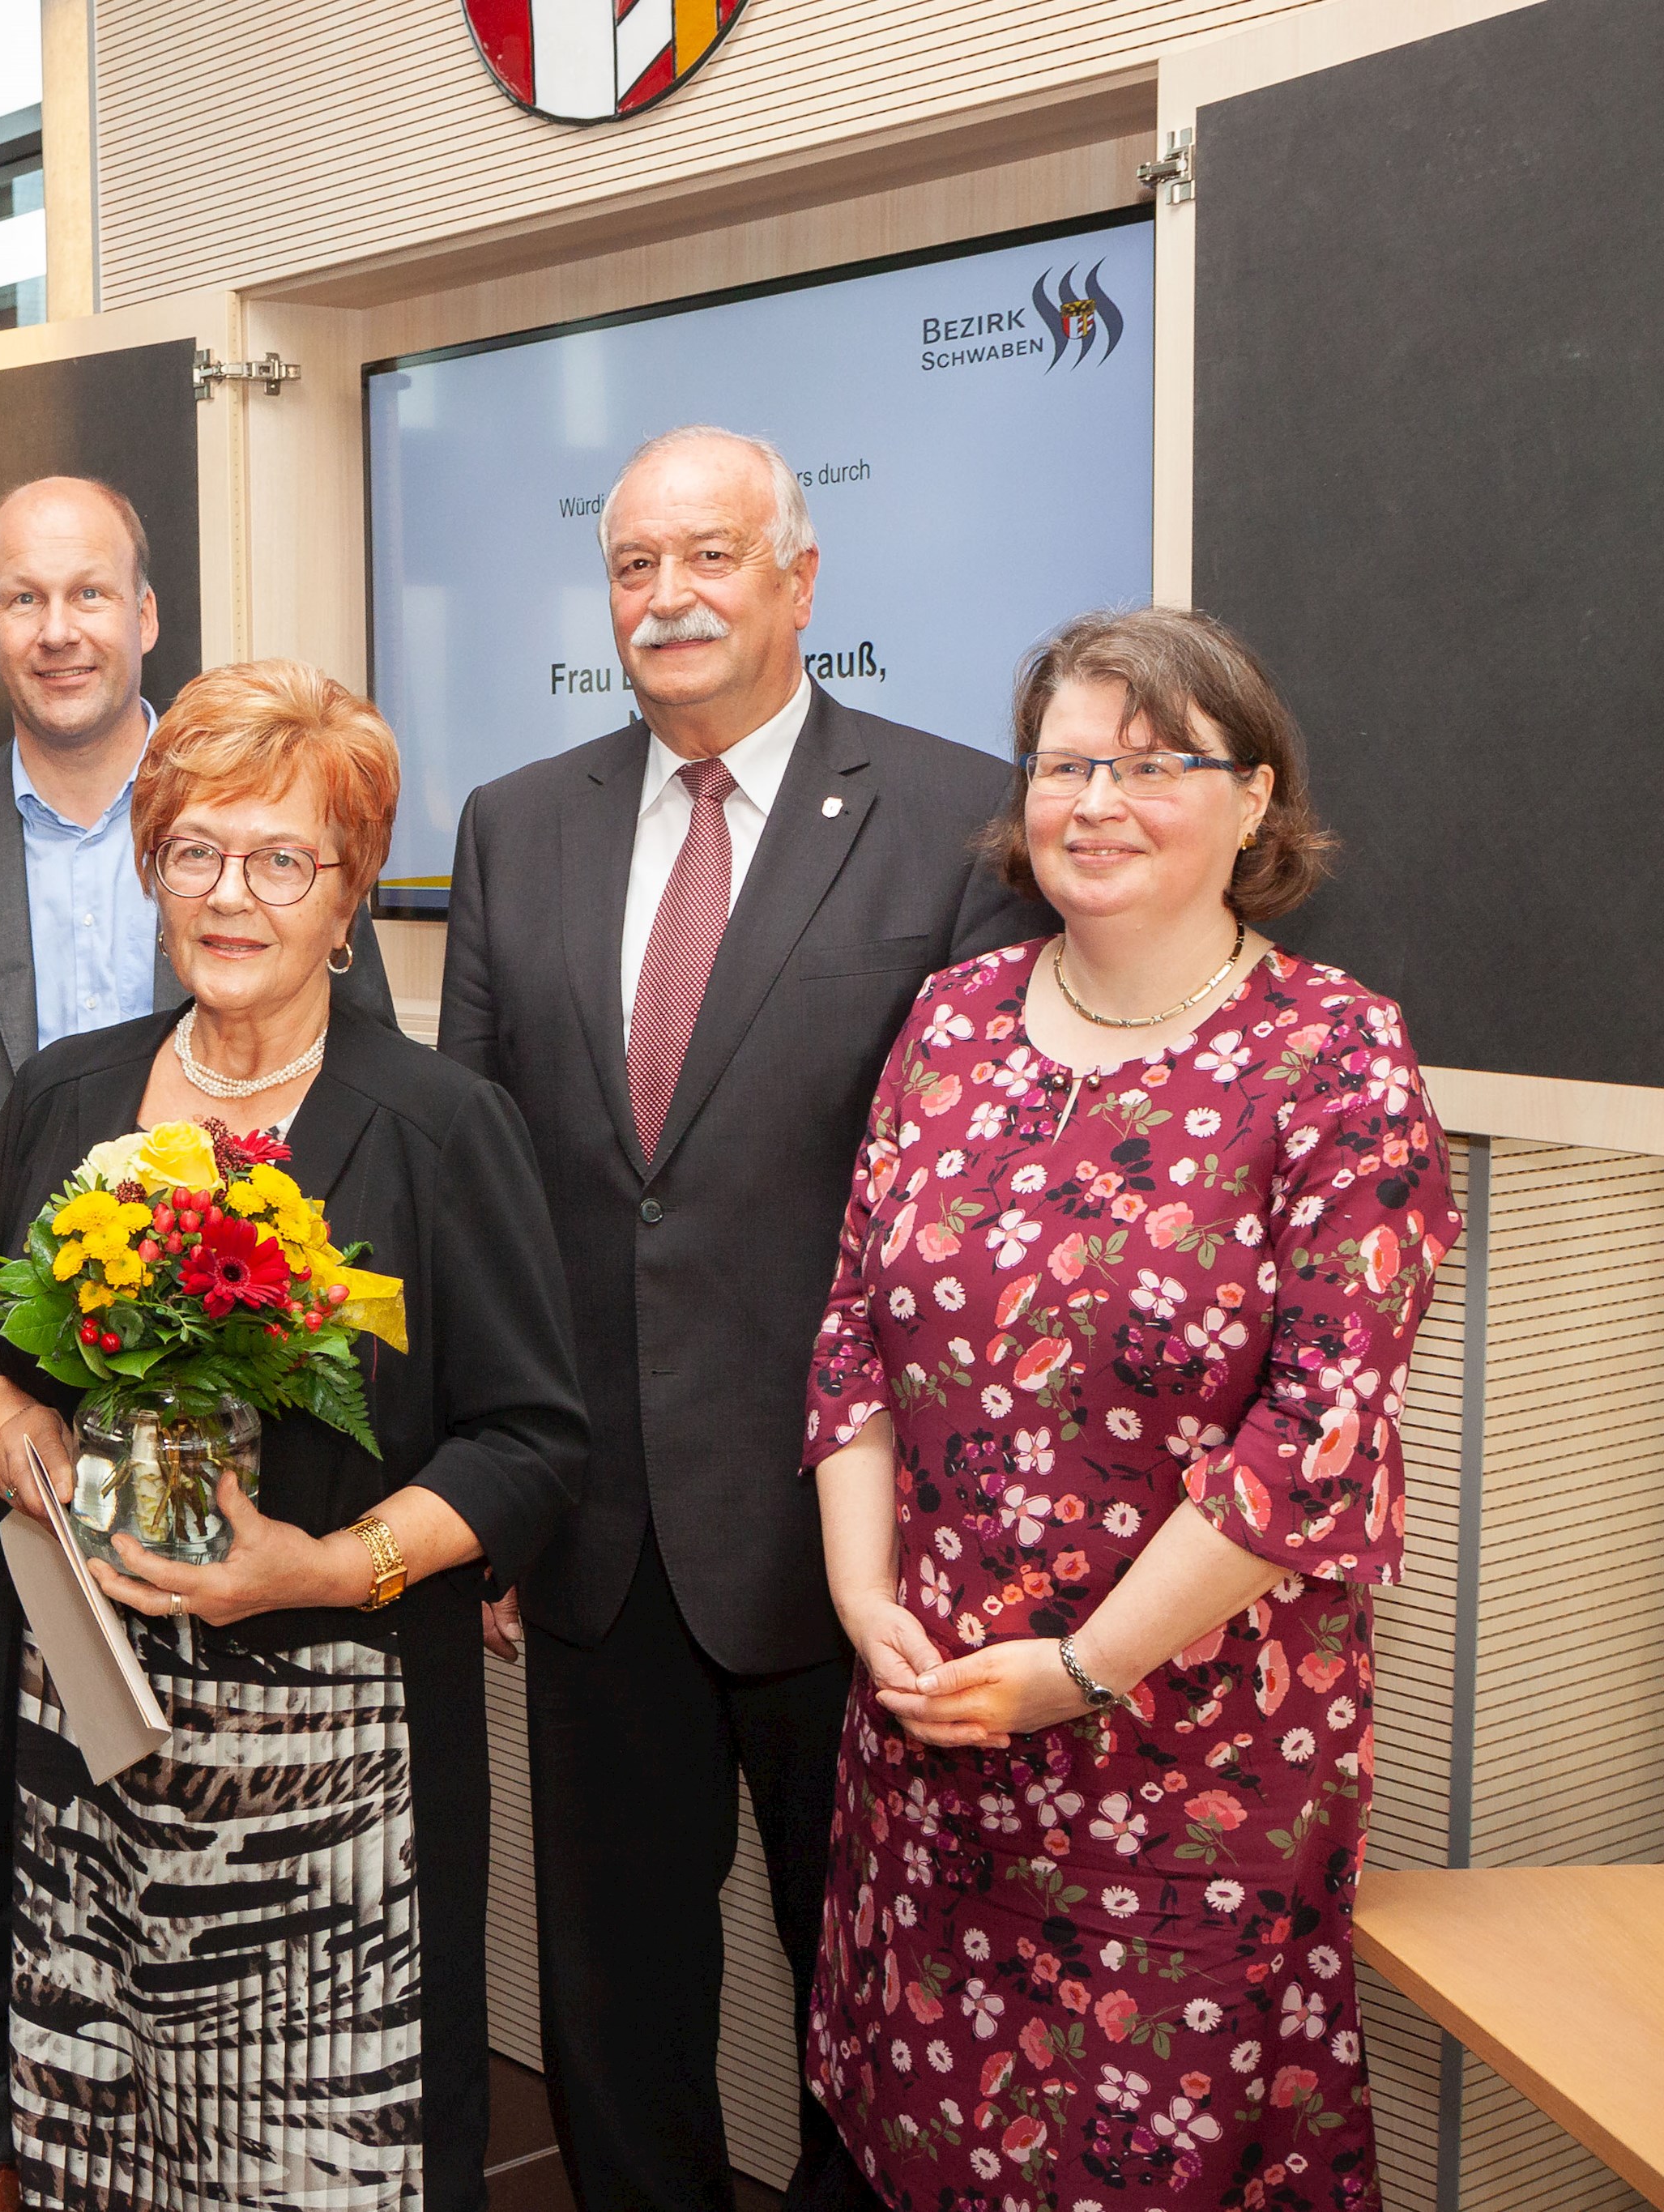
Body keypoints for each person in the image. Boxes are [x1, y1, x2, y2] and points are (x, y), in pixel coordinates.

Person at [437, 424, 1052, 2212]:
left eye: (709, 556)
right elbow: (486, 1182)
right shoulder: (512, 820)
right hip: (590, 1534)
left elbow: (973, 1210)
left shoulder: (954, 818)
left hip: (842, 1540)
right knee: (614, 2003)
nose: (667, 595)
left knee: (864, 1990)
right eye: (633, 564)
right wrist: (488, 1489)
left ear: (797, 578)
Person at [0, 659, 586, 2208]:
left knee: (322, 2172)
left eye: (285, 860)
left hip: (334, 1775)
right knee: (102, 2149)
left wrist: (321, 1566)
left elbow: (532, 1440)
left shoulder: (434, 1126)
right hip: (88, 1739)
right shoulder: (70, 1091)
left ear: (349, 898)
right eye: (198, 850)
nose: (233, 895)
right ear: (152, 869)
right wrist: (28, 1444)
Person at [802, 606, 1446, 2212]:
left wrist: (1081, 1670)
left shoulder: (1331, 1058)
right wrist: (862, 1599)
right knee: (926, 2133)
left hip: (1192, 1760)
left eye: (1154, 765)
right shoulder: (947, 1022)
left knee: (1146, 2154)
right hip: (941, 1718)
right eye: (1063, 763)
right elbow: (850, 1344)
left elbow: (1309, 1439)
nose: (1093, 800)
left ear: (1252, 802)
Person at [0, 475, 393, 2212]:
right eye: (23, 598)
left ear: (145, 611)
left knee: (229, 1877)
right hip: (14, 1407)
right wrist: (9, 1371)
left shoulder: (271, 806)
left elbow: (363, 1131)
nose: (59, 628)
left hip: (275, 1477)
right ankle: (6, 2143)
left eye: (91, 593)